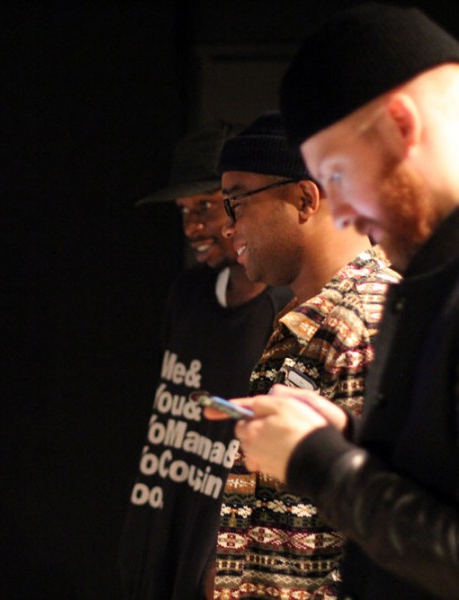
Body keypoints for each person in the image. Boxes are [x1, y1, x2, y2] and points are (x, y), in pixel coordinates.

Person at [209, 3, 459, 599]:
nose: (339, 213)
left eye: (338, 176)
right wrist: (350, 439)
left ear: (401, 125)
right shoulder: (427, 282)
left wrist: (323, 464)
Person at [210, 111, 400, 599]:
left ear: (304, 198)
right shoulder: (309, 316)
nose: (227, 227)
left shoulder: (368, 320)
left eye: (236, 203)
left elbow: (382, 531)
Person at [119, 125, 292, 599]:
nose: (192, 227)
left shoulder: (285, 313)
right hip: (164, 522)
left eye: (205, 207)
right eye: (184, 212)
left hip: (223, 555)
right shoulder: (188, 294)